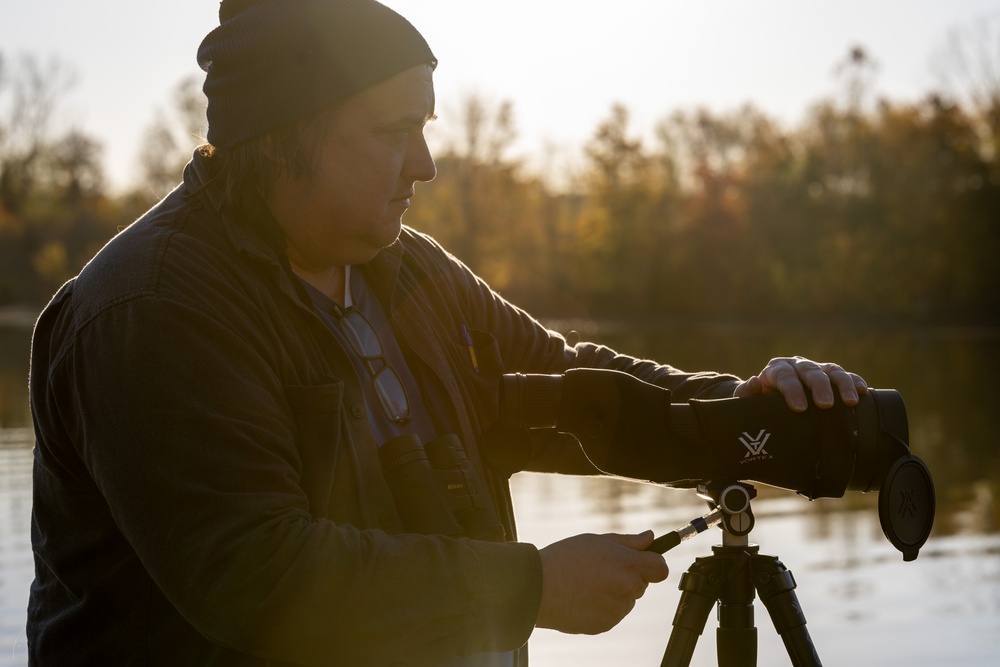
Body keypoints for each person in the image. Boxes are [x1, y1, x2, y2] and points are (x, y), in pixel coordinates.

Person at [26, 1, 868, 665]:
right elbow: (258, 572)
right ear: (284, 138)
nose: (424, 165)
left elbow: (573, 387)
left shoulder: (411, 270)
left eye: (424, 128)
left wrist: (751, 405)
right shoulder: (156, 309)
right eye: (396, 131)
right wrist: (529, 588)